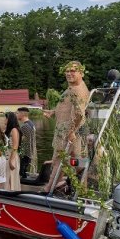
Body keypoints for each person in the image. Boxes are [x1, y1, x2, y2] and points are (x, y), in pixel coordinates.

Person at [43, 61, 90, 193]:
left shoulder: (78, 90)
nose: (69, 74)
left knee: (59, 160)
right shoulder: (72, 87)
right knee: (76, 161)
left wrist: (71, 132)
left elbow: (79, 114)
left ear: (81, 73)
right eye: (67, 71)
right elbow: (68, 108)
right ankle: (82, 190)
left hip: (68, 132)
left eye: (73, 71)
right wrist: (53, 112)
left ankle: (49, 189)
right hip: (66, 131)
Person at [17, 107, 38, 177]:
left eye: (17, 113)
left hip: (25, 152)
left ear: (22, 114)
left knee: (21, 172)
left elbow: (22, 140)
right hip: (30, 151)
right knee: (24, 170)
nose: (16, 115)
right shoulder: (31, 124)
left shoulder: (24, 126)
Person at [4, 112, 22, 191]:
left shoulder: (14, 130)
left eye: (6, 118)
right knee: (8, 176)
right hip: (8, 154)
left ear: (10, 119)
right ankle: (8, 191)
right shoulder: (9, 130)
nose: (5, 120)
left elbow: (15, 146)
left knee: (12, 176)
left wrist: (12, 160)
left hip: (12, 155)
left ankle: (12, 193)